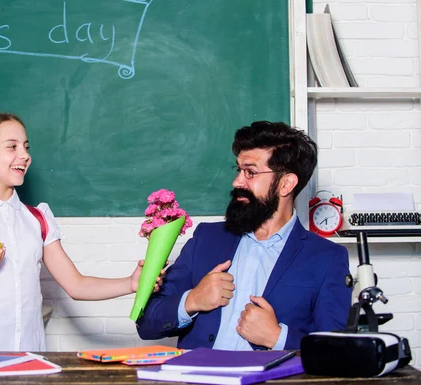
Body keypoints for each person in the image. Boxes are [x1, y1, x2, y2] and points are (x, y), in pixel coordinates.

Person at [0, 112, 162, 352]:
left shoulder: (37, 219)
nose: (25, 155)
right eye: (12, 146)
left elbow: (76, 285)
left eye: (26, 146)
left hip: (32, 360)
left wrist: (131, 283)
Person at [136, 121, 351, 350]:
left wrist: (277, 337)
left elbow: (336, 350)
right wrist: (192, 301)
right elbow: (146, 323)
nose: (237, 181)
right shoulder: (206, 239)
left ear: (286, 184)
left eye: (250, 172)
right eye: (238, 170)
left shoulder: (328, 258)